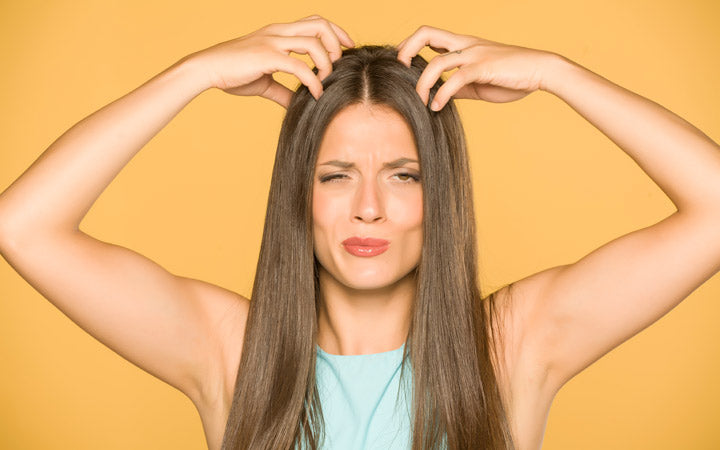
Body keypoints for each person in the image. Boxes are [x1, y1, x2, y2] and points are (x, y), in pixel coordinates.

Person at [1, 13, 719, 450]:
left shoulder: (511, 344)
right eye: (336, 174)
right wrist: (192, 75)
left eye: (404, 175)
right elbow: (22, 226)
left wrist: (559, 75)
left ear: (441, 198)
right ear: (299, 193)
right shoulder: (229, 351)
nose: (368, 206)